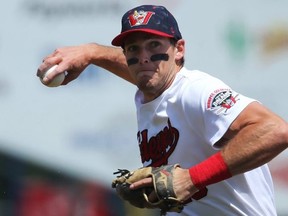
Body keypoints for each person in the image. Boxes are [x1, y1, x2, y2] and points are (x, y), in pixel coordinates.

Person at [37, 5, 288, 216]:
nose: (144, 57)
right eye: (133, 48)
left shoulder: (194, 91)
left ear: (179, 49)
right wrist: (91, 52)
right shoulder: (154, 92)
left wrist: (191, 179)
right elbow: (145, 68)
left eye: (154, 45)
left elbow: (275, 131)